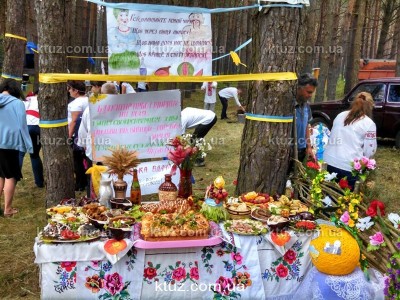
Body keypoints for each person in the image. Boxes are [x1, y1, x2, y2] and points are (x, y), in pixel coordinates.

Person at [323, 92, 377, 189]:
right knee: (345, 200)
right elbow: (369, 151)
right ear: (370, 106)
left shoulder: (340, 115)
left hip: (328, 161)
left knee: (326, 194)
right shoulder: (369, 123)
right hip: (348, 167)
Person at [0, 79, 33, 217]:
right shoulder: (18, 103)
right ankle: (7, 209)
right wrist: (28, 145)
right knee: (10, 176)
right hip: (10, 143)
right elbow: (22, 126)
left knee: (0, 174)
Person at [78, 83, 117, 197]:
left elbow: (82, 131)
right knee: (110, 178)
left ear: (101, 93)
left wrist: (84, 145)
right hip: (113, 152)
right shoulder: (122, 108)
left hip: (98, 152)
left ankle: (95, 200)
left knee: (96, 180)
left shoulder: (90, 108)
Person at [19, 91, 44, 188]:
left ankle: (12, 179)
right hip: (38, 127)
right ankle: (39, 182)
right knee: (34, 155)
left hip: (26, 126)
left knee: (20, 153)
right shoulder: (46, 101)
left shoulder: (29, 99)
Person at [67, 81, 89, 191]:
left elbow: (74, 121)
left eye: (70, 89)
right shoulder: (88, 100)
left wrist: (69, 136)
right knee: (85, 158)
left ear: (76, 90)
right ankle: (85, 180)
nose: (69, 91)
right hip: (85, 132)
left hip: (77, 134)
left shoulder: (76, 103)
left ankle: (81, 183)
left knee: (77, 160)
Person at [295, 73, 318, 162]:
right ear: (299, 88)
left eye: (312, 92)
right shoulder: (288, 106)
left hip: (302, 149)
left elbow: (307, 127)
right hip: (288, 150)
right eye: (308, 92)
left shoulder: (306, 106)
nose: (310, 95)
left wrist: (309, 147)